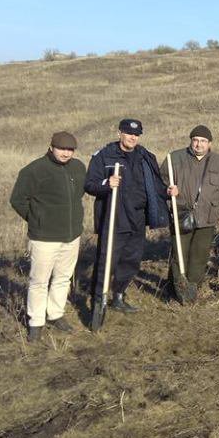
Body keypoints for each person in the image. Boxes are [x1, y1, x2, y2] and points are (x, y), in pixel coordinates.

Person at [85, 119, 168, 323]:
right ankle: (98, 300)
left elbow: (157, 186)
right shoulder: (104, 156)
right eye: (129, 133)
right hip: (114, 217)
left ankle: (119, 295)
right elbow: (89, 184)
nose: (133, 137)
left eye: (136, 134)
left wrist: (167, 192)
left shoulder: (145, 157)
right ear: (119, 133)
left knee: (131, 259)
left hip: (137, 217)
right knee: (107, 260)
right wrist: (107, 183)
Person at [10, 131, 86, 341]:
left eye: (70, 149)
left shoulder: (78, 167)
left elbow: (79, 194)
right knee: (39, 281)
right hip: (43, 238)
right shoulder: (34, 170)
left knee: (63, 278)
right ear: (51, 147)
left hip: (72, 236)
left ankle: (55, 313)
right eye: (62, 148)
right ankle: (35, 322)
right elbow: (18, 200)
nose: (66, 153)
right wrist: (37, 220)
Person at [162, 125, 219, 303]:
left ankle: (192, 289)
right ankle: (176, 288)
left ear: (209, 143)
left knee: (199, 255)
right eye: (195, 140)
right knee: (179, 254)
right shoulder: (174, 159)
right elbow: (160, 182)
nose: (199, 144)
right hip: (181, 215)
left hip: (207, 216)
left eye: (203, 141)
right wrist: (167, 190)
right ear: (190, 141)